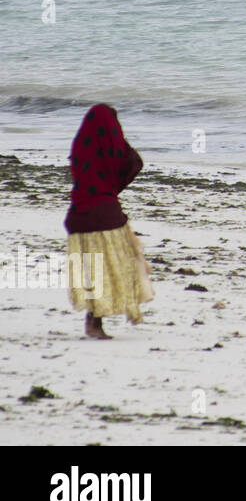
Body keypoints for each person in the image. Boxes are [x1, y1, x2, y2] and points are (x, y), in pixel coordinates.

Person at [65, 104, 154, 339]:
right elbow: (132, 163)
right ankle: (101, 320)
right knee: (121, 264)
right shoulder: (111, 146)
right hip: (105, 214)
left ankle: (93, 321)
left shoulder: (80, 145)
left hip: (78, 215)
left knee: (92, 271)